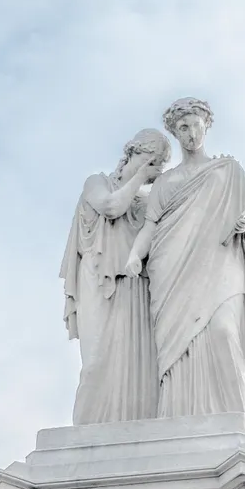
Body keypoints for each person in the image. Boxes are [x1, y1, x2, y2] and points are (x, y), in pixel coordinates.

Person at [124, 97, 245, 424]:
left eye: (195, 125)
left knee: (224, 332)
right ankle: (177, 421)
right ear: (175, 133)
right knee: (176, 350)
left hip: (221, 264)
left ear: (206, 126)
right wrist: (132, 257)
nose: (190, 133)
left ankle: (234, 420)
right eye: (182, 128)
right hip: (171, 272)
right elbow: (151, 227)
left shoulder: (228, 171)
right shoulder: (166, 183)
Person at [60, 127, 171, 423]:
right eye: (150, 156)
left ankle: (134, 427)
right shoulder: (97, 183)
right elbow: (111, 208)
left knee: (136, 362)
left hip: (134, 285)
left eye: (159, 161)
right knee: (96, 361)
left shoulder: (149, 201)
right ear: (133, 152)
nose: (154, 165)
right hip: (98, 278)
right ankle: (87, 430)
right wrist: (141, 178)